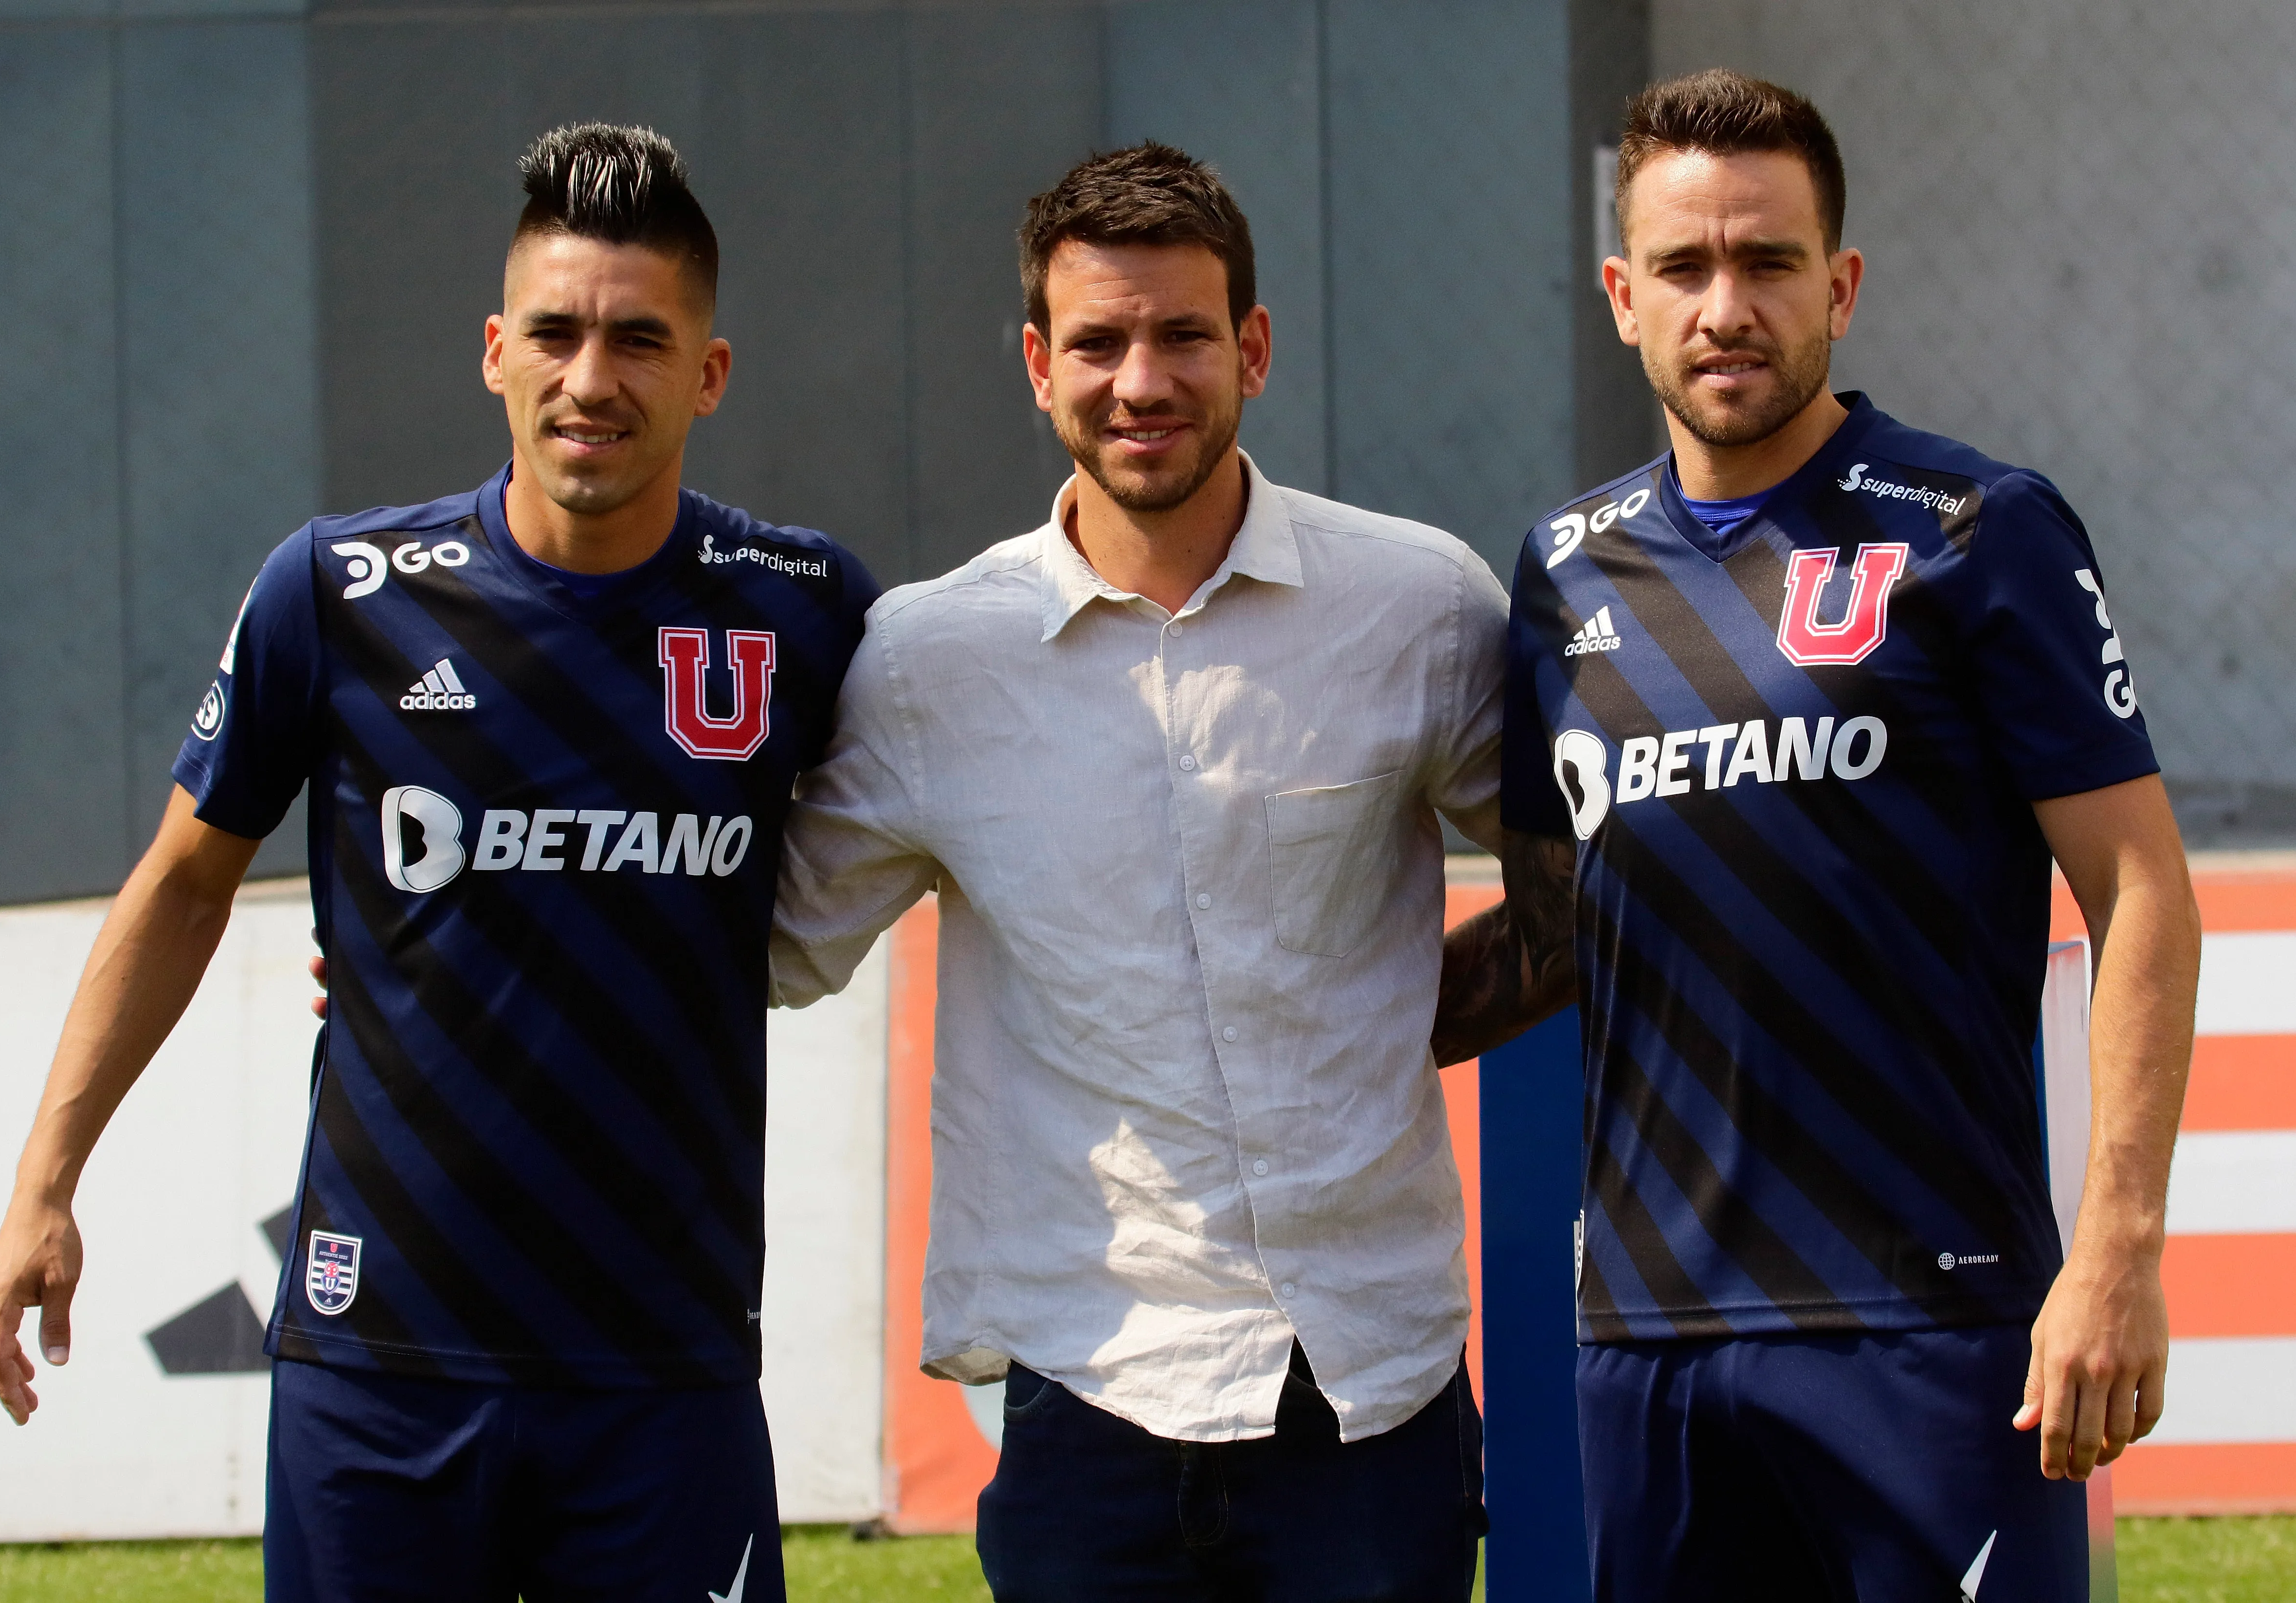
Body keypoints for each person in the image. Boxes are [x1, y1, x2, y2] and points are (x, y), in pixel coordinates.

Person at [0, 123, 876, 1603]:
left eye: (641, 340)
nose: (592, 377)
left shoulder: (804, 613)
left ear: (708, 375)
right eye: (556, 332)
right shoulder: (336, 593)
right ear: (492, 353)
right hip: (377, 1357)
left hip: (663, 1366)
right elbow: (183, 882)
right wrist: (45, 1184)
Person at [1436, 69, 2202, 1603]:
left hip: (1932, 1323)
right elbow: (1547, 931)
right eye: (1683, 267)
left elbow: (2140, 895)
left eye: (1768, 262)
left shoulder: (1976, 528)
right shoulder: (1563, 576)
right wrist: (1276, 1043)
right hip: (1643, 1335)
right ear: (1621, 296)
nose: (1726, 305)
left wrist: (2111, 1251)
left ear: (1837, 285)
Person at [771, 143, 1505, 1601]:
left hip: (1367, 1380)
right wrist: (458, 945)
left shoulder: (1420, 606)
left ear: (1254, 347)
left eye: (1180, 334)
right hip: (1086, 1389)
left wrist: (1373, 1025)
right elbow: (763, 939)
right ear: (1039, 365)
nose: (1141, 380)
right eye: (1097, 342)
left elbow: (1584, 890)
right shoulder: (930, 659)